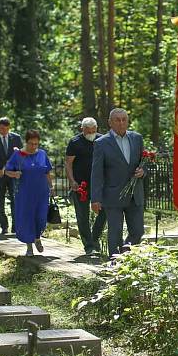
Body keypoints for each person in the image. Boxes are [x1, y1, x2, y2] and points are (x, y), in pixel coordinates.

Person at [90, 108, 145, 257]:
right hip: (112, 195)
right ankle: (113, 264)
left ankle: (125, 253)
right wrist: (95, 198)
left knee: (138, 231)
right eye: (117, 120)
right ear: (110, 122)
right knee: (115, 232)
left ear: (127, 121)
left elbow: (144, 162)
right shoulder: (101, 143)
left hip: (135, 194)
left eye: (124, 119)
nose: (121, 123)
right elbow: (96, 173)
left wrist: (143, 171)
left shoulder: (137, 138)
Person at [5, 129, 53, 256]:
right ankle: (29, 246)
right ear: (26, 142)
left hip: (41, 192)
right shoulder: (18, 155)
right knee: (27, 218)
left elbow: (47, 171)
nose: (33, 146)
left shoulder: (42, 154)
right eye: (31, 143)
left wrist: (51, 187)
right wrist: (15, 174)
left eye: (36, 144)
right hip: (25, 193)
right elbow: (7, 170)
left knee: (41, 217)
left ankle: (37, 237)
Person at [65, 117, 106, 255]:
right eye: (88, 131)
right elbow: (68, 163)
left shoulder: (102, 140)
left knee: (103, 211)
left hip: (99, 184)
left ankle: (94, 239)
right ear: (82, 129)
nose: (91, 134)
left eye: (93, 131)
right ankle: (88, 246)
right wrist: (72, 181)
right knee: (82, 215)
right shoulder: (74, 142)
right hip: (80, 185)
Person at [0, 117, 23, 234]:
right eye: (2, 128)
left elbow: (22, 154)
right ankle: (4, 225)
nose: (4, 131)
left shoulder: (16, 138)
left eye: (6, 129)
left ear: (9, 127)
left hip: (13, 175)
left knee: (15, 200)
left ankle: (15, 227)